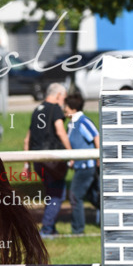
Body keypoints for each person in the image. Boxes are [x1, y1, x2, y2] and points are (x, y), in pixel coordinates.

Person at [23, 82, 72, 239]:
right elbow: (60, 131)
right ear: (58, 95)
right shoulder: (55, 108)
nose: (64, 102)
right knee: (57, 193)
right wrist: (71, 153)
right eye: (63, 97)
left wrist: (27, 164)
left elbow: (27, 139)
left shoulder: (37, 110)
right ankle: (46, 228)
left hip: (37, 159)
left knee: (50, 193)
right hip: (52, 159)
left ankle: (51, 228)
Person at [64, 91, 100, 236]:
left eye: (66, 106)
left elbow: (96, 137)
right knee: (92, 196)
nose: (64, 108)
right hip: (80, 166)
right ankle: (110, 216)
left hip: (88, 166)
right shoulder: (71, 124)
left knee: (75, 196)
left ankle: (78, 230)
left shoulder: (83, 122)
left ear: (72, 107)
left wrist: (98, 158)